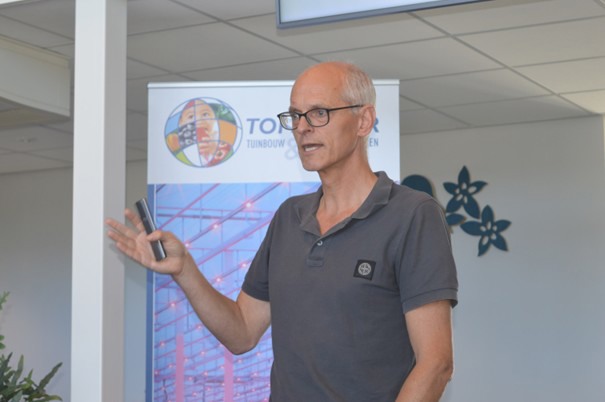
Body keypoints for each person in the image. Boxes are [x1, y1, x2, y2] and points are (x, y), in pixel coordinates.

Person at [106, 61, 458, 401]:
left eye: (319, 113)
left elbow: (436, 364)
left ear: (363, 120)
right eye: (295, 115)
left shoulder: (412, 215)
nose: (302, 127)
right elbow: (242, 332)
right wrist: (184, 269)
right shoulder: (289, 217)